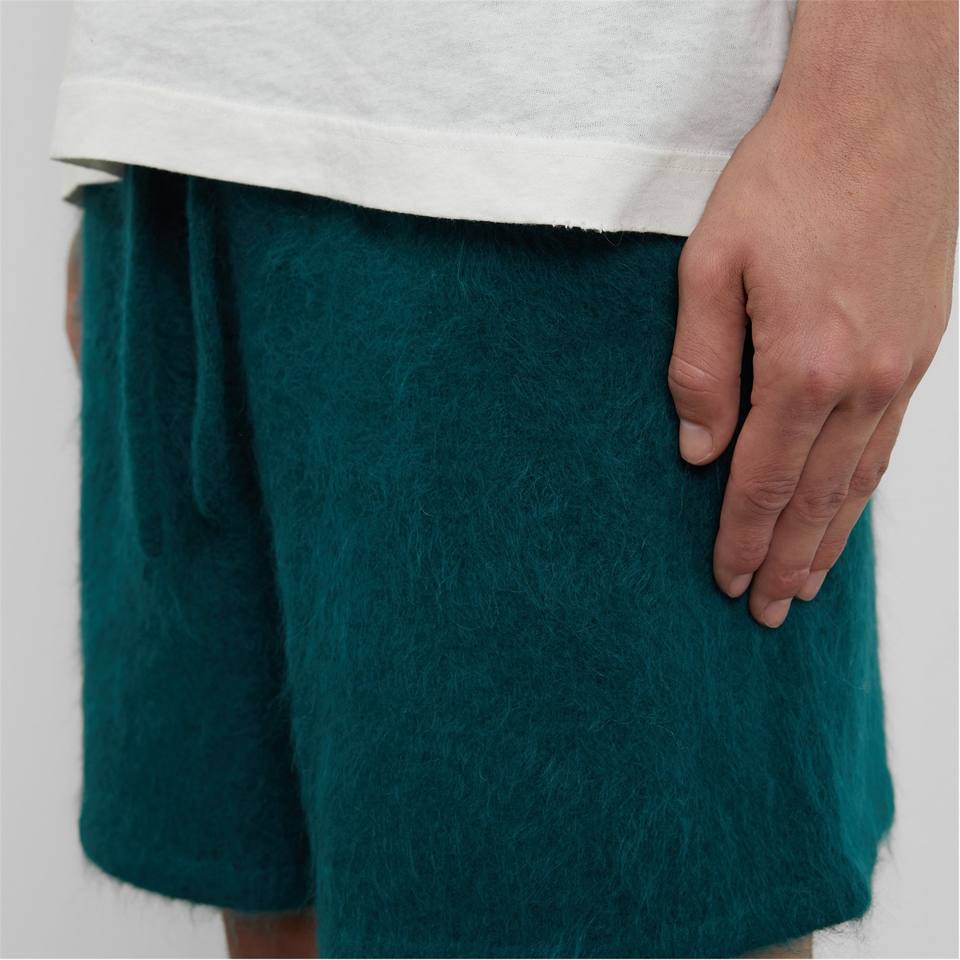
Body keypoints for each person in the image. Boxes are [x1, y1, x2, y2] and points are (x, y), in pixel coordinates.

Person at [53, 2, 956, 958]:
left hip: (580, 175)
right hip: (187, 153)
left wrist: (879, 98)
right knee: (283, 920)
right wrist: (133, 122)